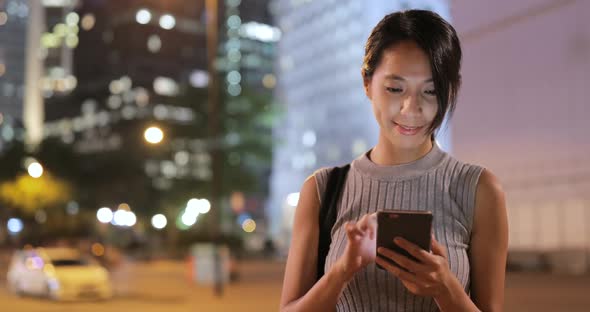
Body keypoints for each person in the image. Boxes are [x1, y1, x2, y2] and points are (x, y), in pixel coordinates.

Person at [279, 9, 508, 312]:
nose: (411, 108)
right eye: (394, 88)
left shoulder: (478, 189)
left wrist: (446, 288)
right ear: (367, 83)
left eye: (430, 90)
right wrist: (341, 272)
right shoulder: (323, 190)